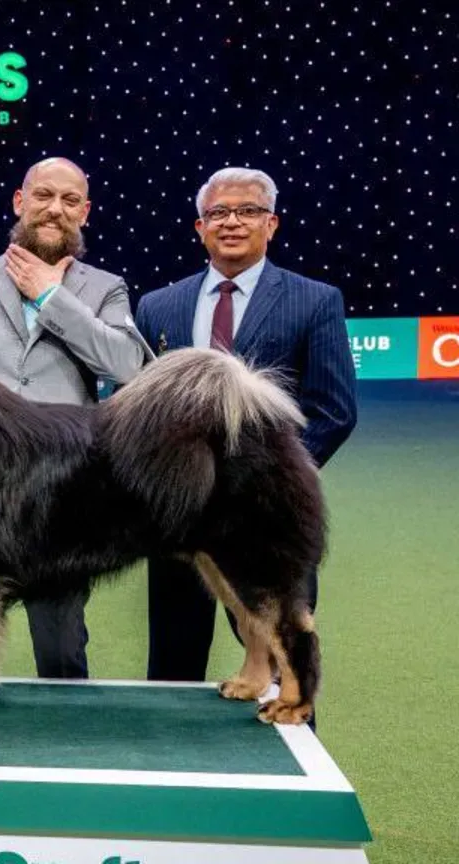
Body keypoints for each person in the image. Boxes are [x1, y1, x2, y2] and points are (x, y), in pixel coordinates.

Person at [0, 157, 146, 679]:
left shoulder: (104, 288)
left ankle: (66, 745)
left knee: (61, 642)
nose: (54, 209)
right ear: (20, 202)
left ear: (85, 212)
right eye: (43, 196)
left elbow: (129, 364)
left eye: (69, 201)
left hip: (60, 492)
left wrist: (50, 295)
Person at [137, 166, 357, 685]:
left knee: (283, 658)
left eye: (248, 211)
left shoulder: (315, 301)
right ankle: (169, 762)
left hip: (268, 512)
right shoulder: (157, 306)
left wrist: (274, 479)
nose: (232, 222)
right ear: (199, 227)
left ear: (272, 224)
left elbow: (334, 410)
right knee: (173, 660)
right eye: (218, 212)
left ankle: (295, 746)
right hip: (180, 514)